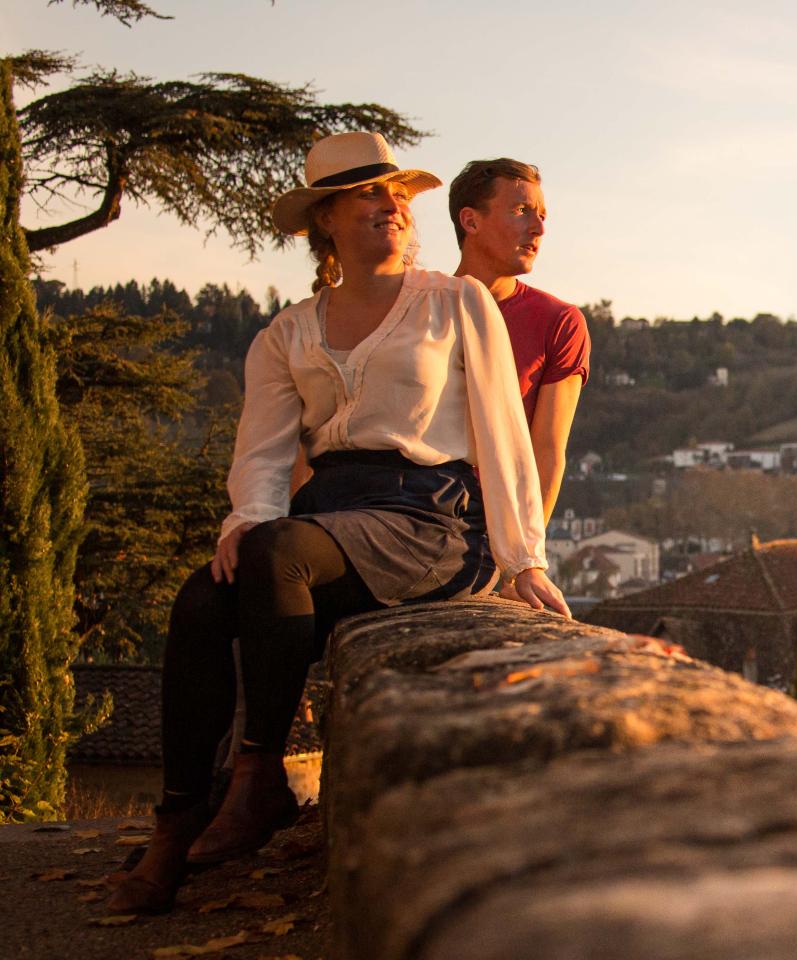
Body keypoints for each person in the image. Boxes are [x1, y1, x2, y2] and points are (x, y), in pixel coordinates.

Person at [108, 132, 567, 914]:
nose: (389, 205)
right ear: (325, 220)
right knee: (200, 600)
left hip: (431, 519)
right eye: (366, 195)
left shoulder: (455, 303)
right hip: (332, 517)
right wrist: (244, 519)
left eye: (395, 194)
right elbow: (261, 451)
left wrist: (523, 556)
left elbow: (503, 431)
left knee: (279, 550)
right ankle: (177, 820)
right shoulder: (286, 334)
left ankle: (258, 778)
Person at [448, 158, 589, 527]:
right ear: (471, 221)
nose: (539, 227)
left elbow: (547, 452)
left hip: (490, 527)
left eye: (542, 215)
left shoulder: (558, 322)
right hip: (410, 509)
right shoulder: (420, 307)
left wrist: (525, 557)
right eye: (521, 210)